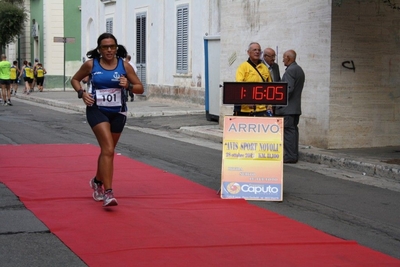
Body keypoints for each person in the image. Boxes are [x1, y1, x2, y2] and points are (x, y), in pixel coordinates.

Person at [71, 33, 144, 207]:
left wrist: (129, 86)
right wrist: (82, 93)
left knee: (108, 151)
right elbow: (75, 79)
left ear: (116, 48)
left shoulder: (124, 66)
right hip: (97, 110)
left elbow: (140, 88)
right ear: (99, 49)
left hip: (118, 111)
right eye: (105, 47)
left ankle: (97, 181)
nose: (109, 50)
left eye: (112, 46)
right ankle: (108, 193)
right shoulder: (91, 64)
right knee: (109, 149)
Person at [275, 50, 305, 164]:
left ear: (288, 58)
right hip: (295, 108)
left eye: (284, 57)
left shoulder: (291, 71)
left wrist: (277, 103)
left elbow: (288, 89)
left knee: (288, 133)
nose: (282, 60)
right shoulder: (298, 69)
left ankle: (290, 156)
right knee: (293, 132)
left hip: (288, 109)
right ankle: (293, 154)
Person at [234, 42, 272, 116]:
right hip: (245, 109)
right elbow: (239, 86)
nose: (257, 52)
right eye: (254, 50)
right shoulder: (243, 67)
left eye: (259, 50)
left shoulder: (265, 68)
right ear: (248, 52)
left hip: (262, 109)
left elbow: (269, 88)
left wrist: (270, 105)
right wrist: (247, 100)